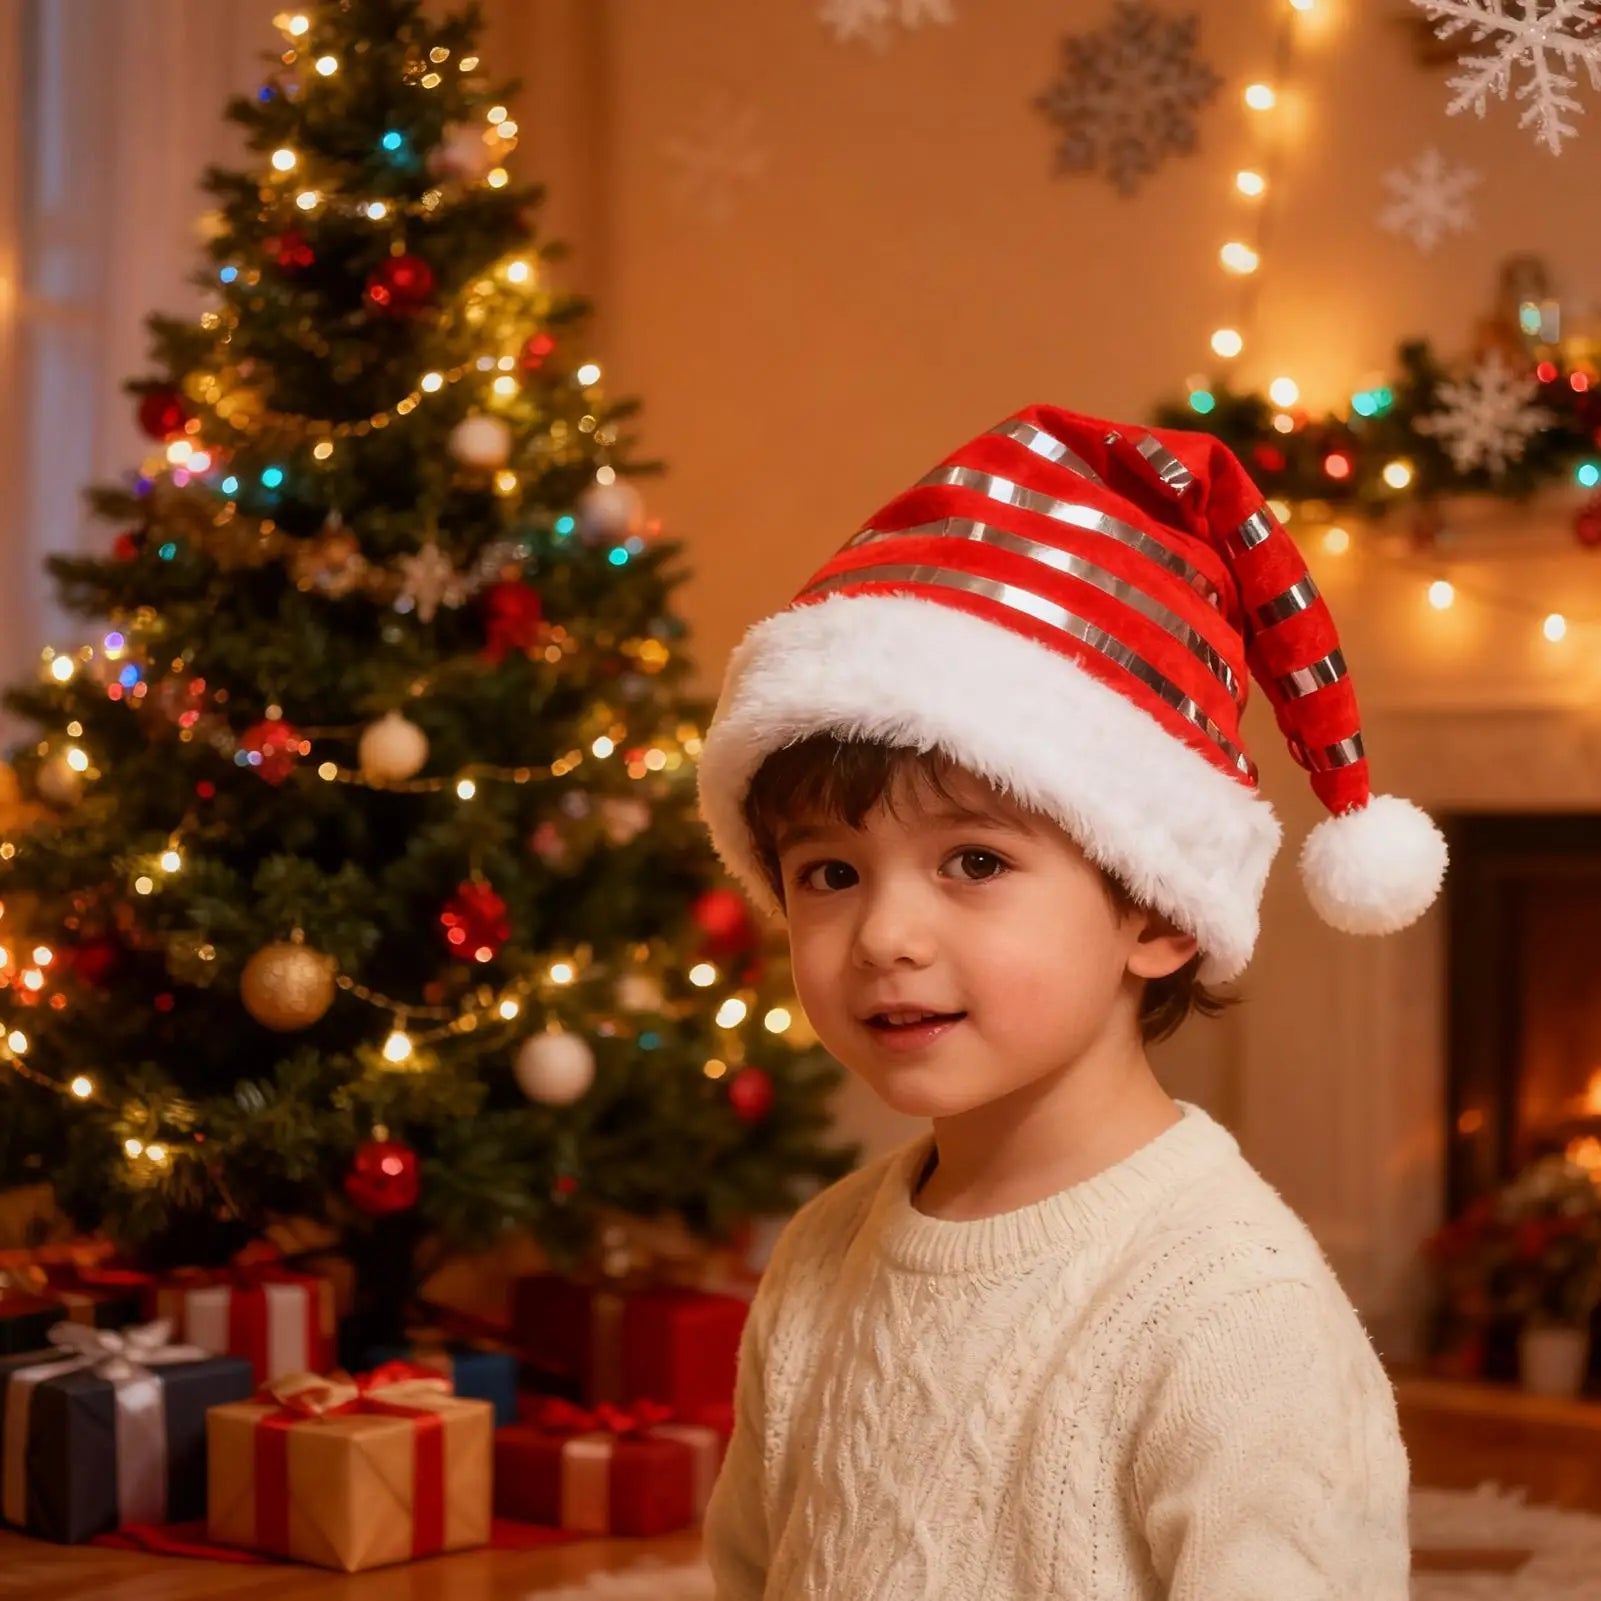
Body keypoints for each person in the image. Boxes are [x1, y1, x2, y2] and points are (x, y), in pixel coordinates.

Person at [694, 404, 1448, 1599]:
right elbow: (752, 1568)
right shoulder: (821, 1251)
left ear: (1157, 912)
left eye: (973, 861)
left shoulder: (1231, 1307)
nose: (883, 934)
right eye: (829, 873)